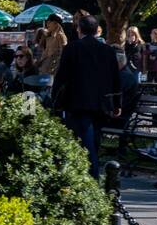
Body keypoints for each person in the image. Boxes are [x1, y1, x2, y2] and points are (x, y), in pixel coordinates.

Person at [51, 14, 122, 178]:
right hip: (101, 104)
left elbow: (61, 77)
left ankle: (90, 176)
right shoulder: (107, 50)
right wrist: (117, 103)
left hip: (77, 103)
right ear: (97, 30)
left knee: (82, 143)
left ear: (79, 29)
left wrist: (55, 101)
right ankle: (90, 174)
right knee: (94, 141)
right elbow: (115, 79)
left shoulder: (72, 49)